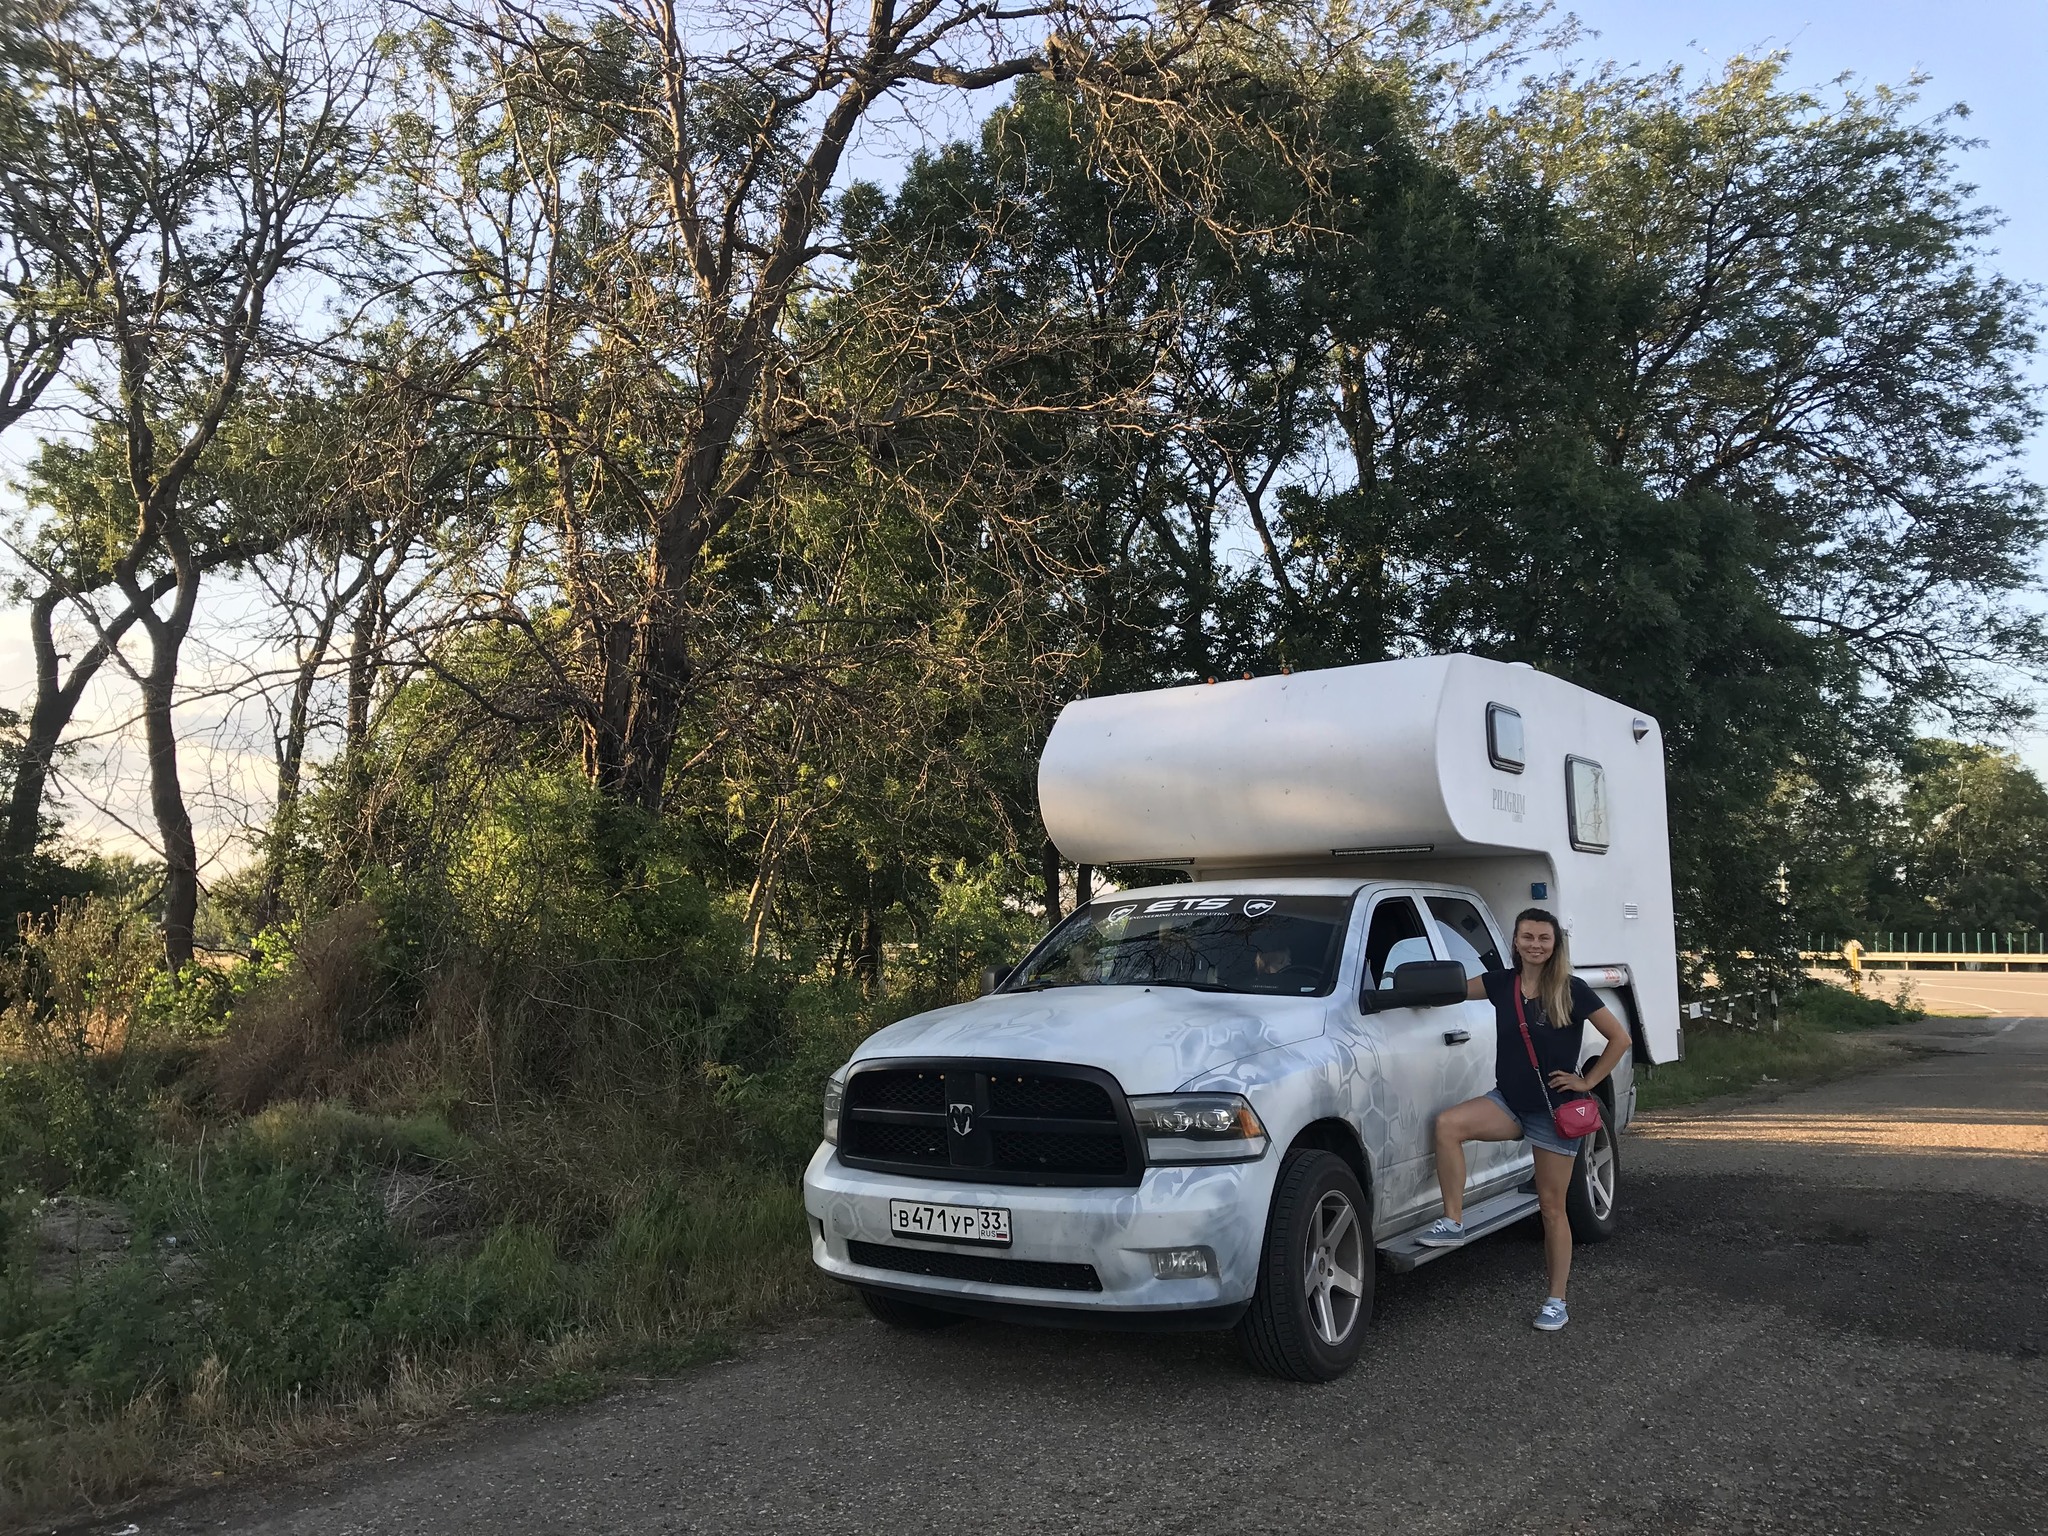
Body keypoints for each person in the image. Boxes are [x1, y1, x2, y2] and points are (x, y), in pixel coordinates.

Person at [1413, 907, 1631, 1332]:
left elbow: (1619, 1038)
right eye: (1527, 937)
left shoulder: (1572, 990)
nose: (1535, 945)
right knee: (1448, 1126)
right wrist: (1401, 990)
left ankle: (1556, 1300)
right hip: (1509, 1103)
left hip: (1554, 1114)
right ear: (1515, 941)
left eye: (1543, 938)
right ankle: (1453, 1222)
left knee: (1551, 1208)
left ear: (1555, 945)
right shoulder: (1501, 984)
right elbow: (1450, 989)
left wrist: (1587, 1081)